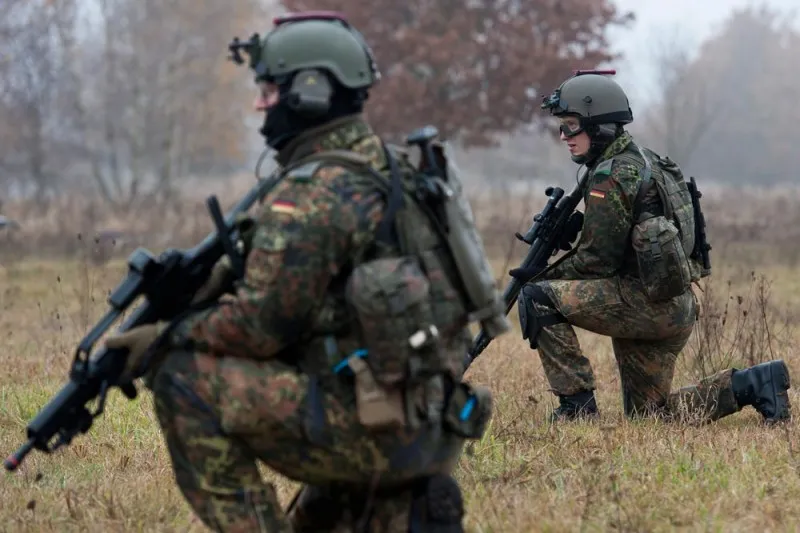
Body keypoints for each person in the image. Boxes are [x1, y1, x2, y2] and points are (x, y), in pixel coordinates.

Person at [101, 11, 507, 533]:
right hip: (435, 417)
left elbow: (259, 327)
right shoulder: (394, 167)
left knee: (181, 374)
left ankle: (381, 495)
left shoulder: (317, 193)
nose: (258, 105)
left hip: (382, 431)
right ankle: (393, 511)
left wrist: (163, 335)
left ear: (310, 93)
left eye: (268, 91)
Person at [509, 70, 792, 424]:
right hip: (671, 303)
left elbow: (596, 262)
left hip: (646, 304)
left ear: (597, 125)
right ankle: (752, 383)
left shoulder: (611, 174)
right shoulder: (642, 159)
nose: (564, 136)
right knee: (650, 418)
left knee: (536, 297)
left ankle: (576, 409)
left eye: (570, 125)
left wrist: (542, 274)